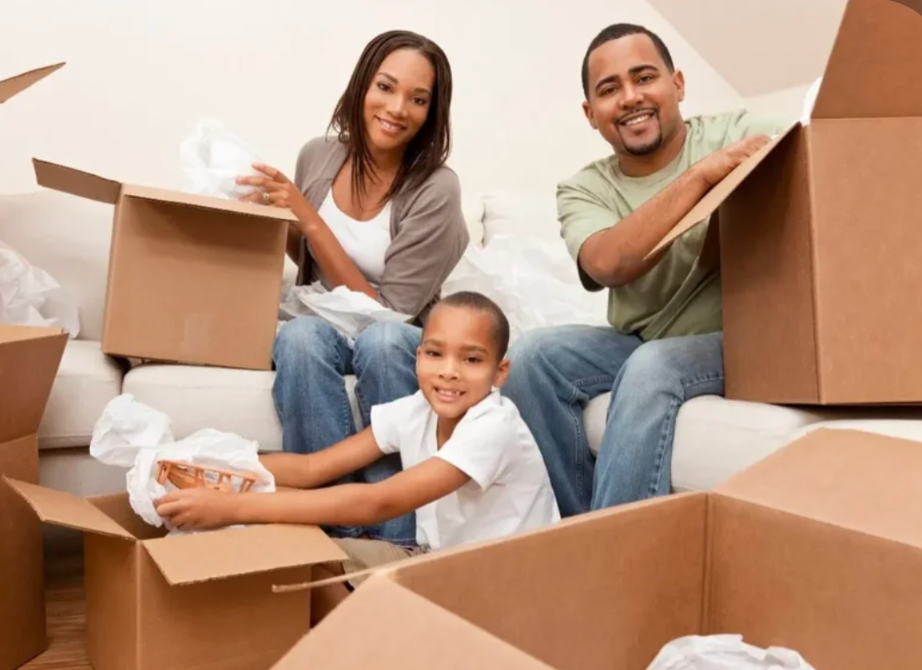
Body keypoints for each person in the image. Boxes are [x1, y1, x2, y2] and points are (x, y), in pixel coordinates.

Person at [501, 23, 792, 517]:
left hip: (733, 339)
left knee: (651, 368)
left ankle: (609, 561)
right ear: (591, 114)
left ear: (677, 84)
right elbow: (606, 262)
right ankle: (583, 531)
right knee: (532, 357)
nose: (631, 97)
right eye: (610, 90)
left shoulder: (734, 132)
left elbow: (825, 144)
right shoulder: (583, 188)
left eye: (644, 78)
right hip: (642, 336)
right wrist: (700, 176)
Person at [154, 291, 560, 621]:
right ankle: (373, 647)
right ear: (417, 357)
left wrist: (233, 508)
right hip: (438, 562)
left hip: (502, 589)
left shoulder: (494, 426)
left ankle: (382, 648)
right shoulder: (418, 408)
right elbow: (313, 467)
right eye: (435, 354)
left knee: (298, 553)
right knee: (305, 559)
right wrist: (217, 466)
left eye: (471, 360)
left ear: (500, 372)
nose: (449, 372)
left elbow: (377, 502)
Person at [234, 30, 469, 546]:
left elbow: (393, 311)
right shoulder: (317, 156)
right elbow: (306, 267)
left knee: (382, 345)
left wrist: (309, 221)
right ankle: (332, 535)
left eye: (418, 99)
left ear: (432, 112)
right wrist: (274, 221)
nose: (397, 107)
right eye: (385, 87)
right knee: (297, 340)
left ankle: (396, 539)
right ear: (362, 85)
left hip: (396, 331)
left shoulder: (436, 187)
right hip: (321, 321)